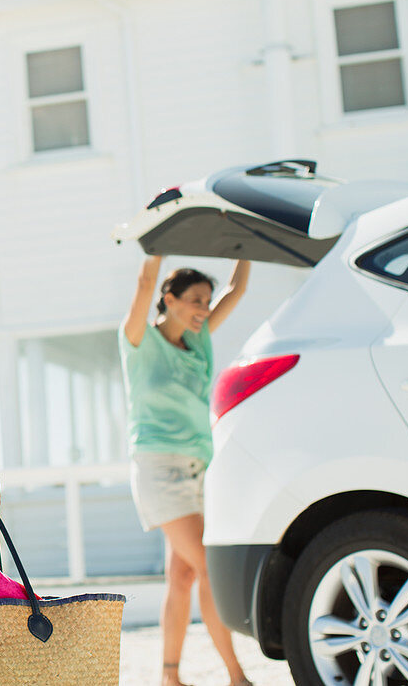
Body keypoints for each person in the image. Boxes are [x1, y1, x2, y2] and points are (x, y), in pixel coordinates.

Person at [119, 255, 253, 686]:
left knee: (183, 575)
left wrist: (243, 244)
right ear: (169, 299)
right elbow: (143, 283)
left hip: (202, 470)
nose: (203, 309)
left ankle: (169, 678)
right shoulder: (138, 339)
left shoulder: (199, 340)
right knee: (210, 567)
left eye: (207, 302)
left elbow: (238, 291)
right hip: (160, 470)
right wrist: (156, 249)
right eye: (195, 300)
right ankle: (236, 675)